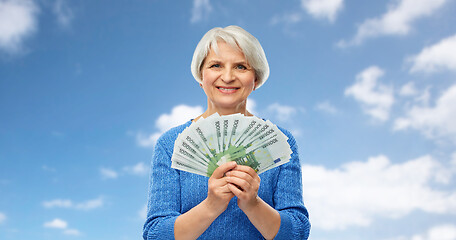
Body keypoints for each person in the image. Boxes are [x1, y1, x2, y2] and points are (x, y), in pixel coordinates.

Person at [143, 25, 310, 240]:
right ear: (201, 76)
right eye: (216, 65)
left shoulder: (282, 144)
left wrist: (253, 204)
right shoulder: (170, 144)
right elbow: (156, 234)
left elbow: (297, 233)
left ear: (255, 79)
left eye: (241, 67)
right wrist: (211, 205)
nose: (228, 76)